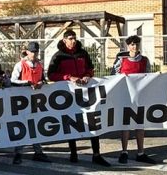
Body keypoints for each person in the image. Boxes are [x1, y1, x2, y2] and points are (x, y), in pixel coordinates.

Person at [47, 30, 109, 166]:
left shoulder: (83, 53)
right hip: (69, 93)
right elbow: (51, 75)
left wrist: (87, 75)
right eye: (70, 38)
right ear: (64, 40)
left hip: (86, 92)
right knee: (72, 121)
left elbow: (91, 68)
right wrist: (68, 77)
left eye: (74, 38)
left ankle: (96, 154)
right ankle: (73, 153)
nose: (73, 41)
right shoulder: (58, 56)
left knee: (93, 120)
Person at [112, 36, 154, 164]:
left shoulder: (145, 60)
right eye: (131, 44)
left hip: (140, 96)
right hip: (125, 96)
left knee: (140, 125)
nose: (134, 46)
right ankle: (124, 151)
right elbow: (113, 77)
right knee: (125, 126)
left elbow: (148, 77)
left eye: (136, 44)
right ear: (127, 46)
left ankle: (140, 152)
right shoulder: (121, 60)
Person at [9, 42, 50, 164]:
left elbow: (43, 79)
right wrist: (27, 83)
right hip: (22, 100)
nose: (34, 54)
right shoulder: (20, 65)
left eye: (36, 51)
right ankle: (18, 153)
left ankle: (38, 152)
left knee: (35, 126)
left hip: (36, 100)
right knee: (22, 127)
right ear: (27, 52)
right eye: (32, 51)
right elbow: (13, 81)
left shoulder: (39, 65)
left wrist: (42, 83)